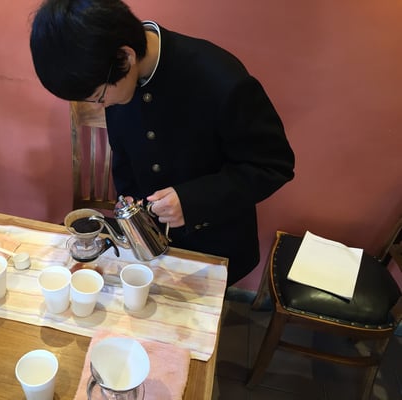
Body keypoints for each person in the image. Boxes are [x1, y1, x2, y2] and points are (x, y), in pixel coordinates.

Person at [30, 0, 295, 286]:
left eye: (99, 97)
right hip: (148, 243)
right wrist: (129, 202)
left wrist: (192, 201)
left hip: (213, 247)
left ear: (126, 56)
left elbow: (273, 165)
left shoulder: (220, 78)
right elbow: (125, 153)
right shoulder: (110, 70)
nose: (100, 105)